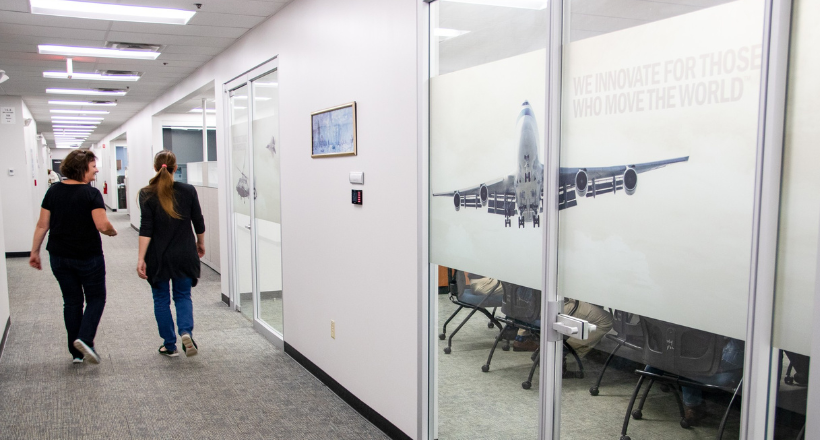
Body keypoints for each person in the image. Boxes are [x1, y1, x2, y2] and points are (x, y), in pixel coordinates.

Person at [29, 150, 117, 364]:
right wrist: (112, 231)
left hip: (59, 256)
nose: (96, 169)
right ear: (82, 168)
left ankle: (77, 353)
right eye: (93, 165)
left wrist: (34, 251)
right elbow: (102, 224)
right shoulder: (91, 194)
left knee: (72, 301)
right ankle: (85, 339)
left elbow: (43, 224)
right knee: (96, 298)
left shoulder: (53, 191)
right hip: (88, 256)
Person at [137, 150, 206, 358]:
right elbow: (198, 221)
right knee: (183, 296)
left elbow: (146, 228)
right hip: (185, 253)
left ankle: (169, 344)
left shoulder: (146, 193)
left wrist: (140, 258)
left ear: (155, 168)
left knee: (161, 300)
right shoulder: (188, 190)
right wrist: (200, 243)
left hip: (157, 256)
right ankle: (186, 332)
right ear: (176, 168)